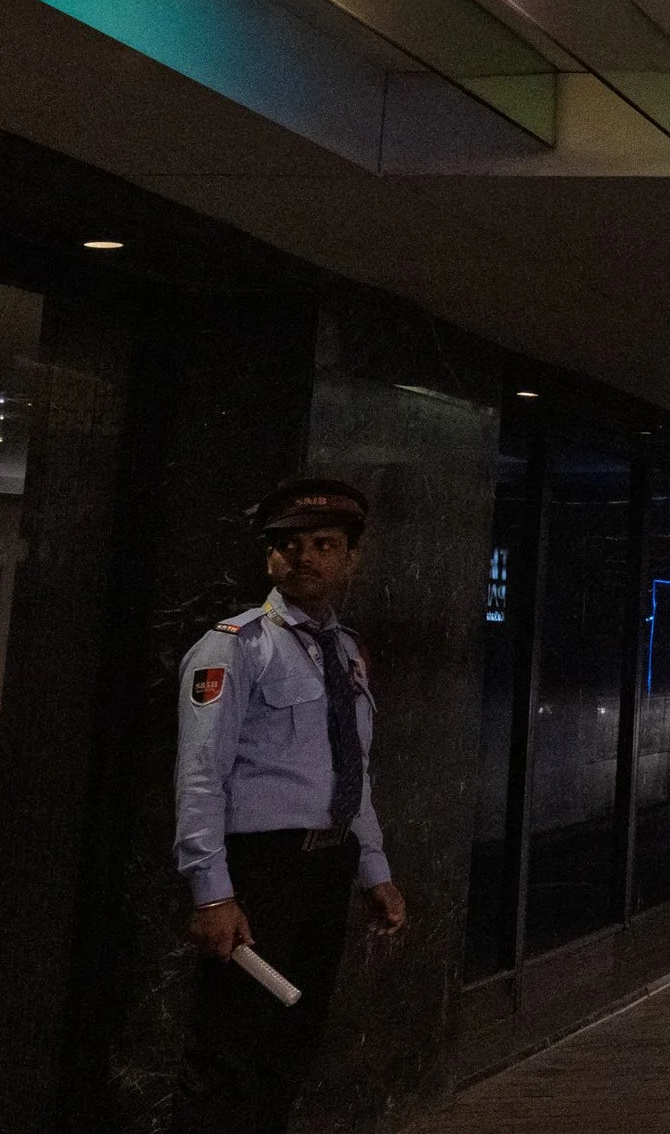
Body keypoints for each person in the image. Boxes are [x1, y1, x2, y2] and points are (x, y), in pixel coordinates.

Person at [172, 478, 406, 1134]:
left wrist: (375, 871)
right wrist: (213, 893)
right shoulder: (236, 645)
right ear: (268, 556)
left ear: (351, 557)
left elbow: (351, 766)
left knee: (290, 1044)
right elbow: (200, 773)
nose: (305, 557)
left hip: (325, 869)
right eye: (289, 544)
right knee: (227, 1050)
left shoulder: (346, 651)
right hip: (260, 869)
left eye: (324, 543)